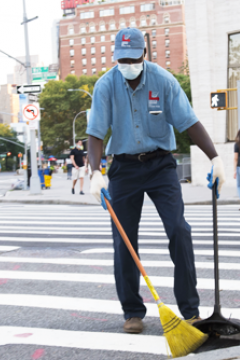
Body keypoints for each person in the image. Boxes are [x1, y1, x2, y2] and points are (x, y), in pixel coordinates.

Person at [87, 28, 225, 334]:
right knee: (124, 241)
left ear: (144, 55)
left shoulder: (163, 81)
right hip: (123, 169)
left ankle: (190, 311)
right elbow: (95, 132)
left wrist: (215, 158)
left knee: (179, 229)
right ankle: (132, 311)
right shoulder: (106, 85)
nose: (126, 65)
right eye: (121, 59)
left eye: (132, 58)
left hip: (161, 166)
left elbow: (189, 122)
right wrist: (94, 171)